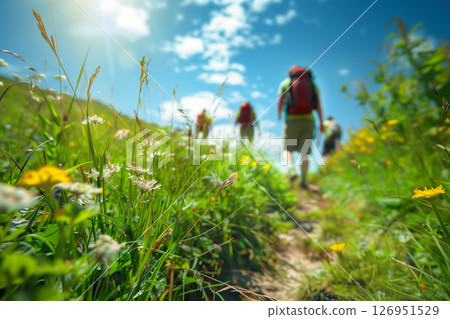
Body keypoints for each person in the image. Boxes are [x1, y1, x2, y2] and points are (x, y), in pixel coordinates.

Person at [277, 65, 324, 189]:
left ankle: (291, 170)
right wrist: (321, 121)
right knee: (304, 153)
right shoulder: (312, 85)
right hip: (309, 121)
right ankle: (303, 181)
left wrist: (279, 114)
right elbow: (318, 105)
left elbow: (281, 101)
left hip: (292, 120)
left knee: (286, 149)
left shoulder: (286, 83)